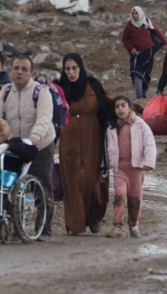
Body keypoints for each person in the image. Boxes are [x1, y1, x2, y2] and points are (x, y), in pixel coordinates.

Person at [0, 54, 56, 239]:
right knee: (6, 184)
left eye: (24, 69)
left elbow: (44, 117)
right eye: (16, 69)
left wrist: (34, 138)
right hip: (14, 145)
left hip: (40, 144)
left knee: (43, 185)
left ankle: (44, 228)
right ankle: (4, 225)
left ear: (31, 72)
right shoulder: (5, 92)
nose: (19, 72)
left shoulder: (41, 92)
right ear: (10, 71)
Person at [56, 53, 115, 236]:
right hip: (69, 139)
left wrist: (126, 116)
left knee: (92, 180)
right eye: (68, 69)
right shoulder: (59, 89)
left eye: (74, 68)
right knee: (72, 182)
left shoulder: (94, 86)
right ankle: (75, 224)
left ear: (80, 68)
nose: (71, 72)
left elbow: (110, 104)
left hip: (93, 138)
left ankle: (94, 217)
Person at [105, 96, 156, 239]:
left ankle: (134, 224)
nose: (120, 109)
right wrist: (107, 162)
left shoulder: (140, 124)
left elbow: (149, 143)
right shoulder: (112, 126)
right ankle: (117, 226)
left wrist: (149, 161)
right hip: (119, 167)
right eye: (117, 107)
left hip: (136, 167)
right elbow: (107, 146)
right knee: (119, 195)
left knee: (134, 198)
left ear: (130, 108)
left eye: (123, 106)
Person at [121, 6, 167, 99]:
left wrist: (164, 42)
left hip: (148, 53)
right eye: (133, 13)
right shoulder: (129, 25)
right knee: (137, 73)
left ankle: (144, 94)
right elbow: (124, 39)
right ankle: (139, 95)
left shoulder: (147, 22)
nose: (134, 15)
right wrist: (131, 48)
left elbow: (157, 32)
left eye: (136, 13)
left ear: (140, 13)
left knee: (146, 74)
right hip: (136, 55)